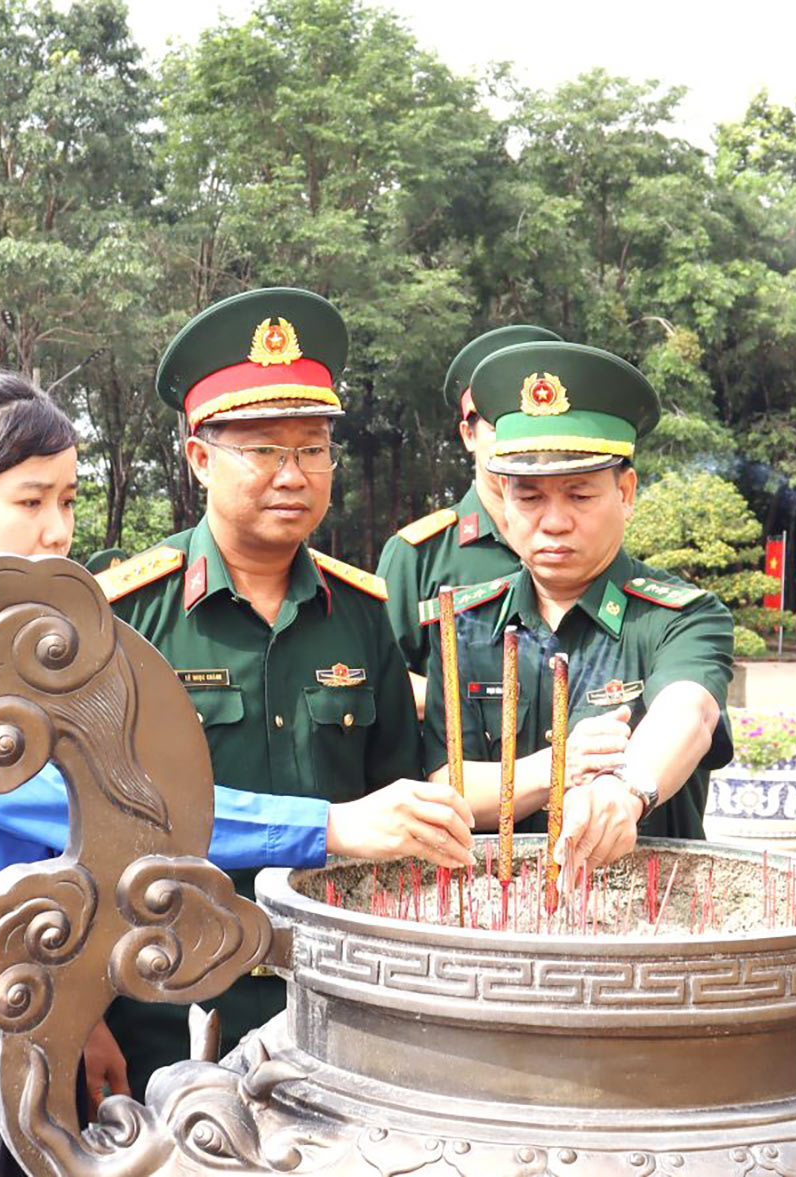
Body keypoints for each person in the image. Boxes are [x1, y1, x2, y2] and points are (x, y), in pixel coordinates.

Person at [0, 372, 472, 1177]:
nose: (57, 531)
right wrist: (332, 824)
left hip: (42, 1017)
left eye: (68, 500)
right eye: (29, 502)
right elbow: (108, 808)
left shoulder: (46, 668)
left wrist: (86, 1013)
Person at [97, 288, 454, 1088]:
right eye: (262, 450)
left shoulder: (362, 614)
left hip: (332, 998)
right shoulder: (127, 616)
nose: (293, 475)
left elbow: (396, 805)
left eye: (313, 449)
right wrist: (85, 1018)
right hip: (165, 1003)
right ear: (199, 459)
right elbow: (85, 827)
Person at [422, 340, 736, 875]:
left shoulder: (680, 617)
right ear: (504, 496)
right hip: (499, 905)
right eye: (530, 498)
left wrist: (627, 789)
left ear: (626, 492)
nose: (554, 521)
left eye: (580, 495)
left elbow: (691, 711)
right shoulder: (465, 625)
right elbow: (448, 785)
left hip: (647, 905)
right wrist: (558, 768)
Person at [377, 325, 559, 707]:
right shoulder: (418, 556)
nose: (518, 441)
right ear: (468, 435)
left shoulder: (577, 538)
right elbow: (378, 675)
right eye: (500, 424)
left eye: (529, 425)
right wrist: (471, 704)